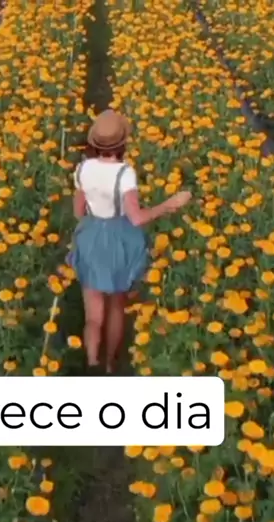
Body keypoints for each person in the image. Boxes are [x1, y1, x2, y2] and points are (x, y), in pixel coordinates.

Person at [68, 109, 192, 374]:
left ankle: (92, 363)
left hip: (91, 236)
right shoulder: (125, 173)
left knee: (93, 315)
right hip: (119, 240)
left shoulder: (83, 168)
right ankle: (110, 365)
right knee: (116, 306)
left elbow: (78, 211)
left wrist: (93, 219)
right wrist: (169, 205)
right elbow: (136, 218)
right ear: (122, 142)